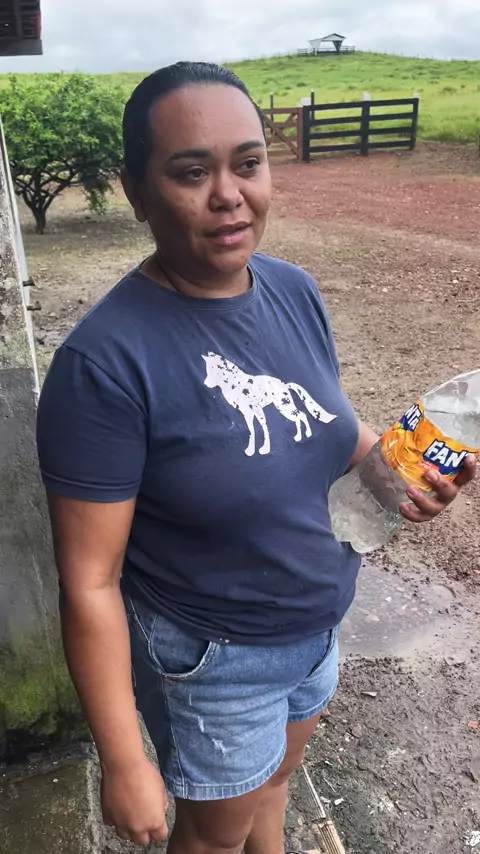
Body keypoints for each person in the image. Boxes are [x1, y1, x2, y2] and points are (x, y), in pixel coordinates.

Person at [36, 62, 476, 854]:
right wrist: (124, 756)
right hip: (218, 657)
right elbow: (90, 581)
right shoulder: (104, 364)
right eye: (191, 172)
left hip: (316, 626)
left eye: (248, 163)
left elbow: (331, 427)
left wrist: (395, 472)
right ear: (136, 192)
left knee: (275, 782)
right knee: (213, 838)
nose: (229, 195)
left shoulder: (292, 289)